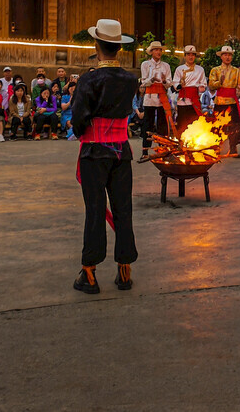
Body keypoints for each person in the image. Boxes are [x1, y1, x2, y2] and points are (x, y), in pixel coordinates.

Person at [71, 18, 139, 295]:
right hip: (121, 151)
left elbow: (78, 119)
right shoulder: (130, 79)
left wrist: (80, 131)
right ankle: (124, 270)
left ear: (97, 45)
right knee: (123, 210)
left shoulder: (89, 79)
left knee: (96, 211)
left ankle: (89, 273)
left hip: (94, 153)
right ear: (118, 48)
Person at [140, 40, 173, 158]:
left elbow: (169, 82)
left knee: (162, 125)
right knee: (147, 124)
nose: (158, 52)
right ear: (151, 52)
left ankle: (162, 149)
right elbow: (143, 82)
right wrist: (152, 79)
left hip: (161, 98)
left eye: (160, 50)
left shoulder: (166, 66)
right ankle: (145, 151)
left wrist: (164, 81)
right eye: (156, 50)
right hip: (149, 98)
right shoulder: (145, 64)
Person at [173, 45, 207, 135]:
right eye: (188, 54)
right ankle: (182, 144)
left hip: (194, 99)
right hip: (183, 100)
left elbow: (203, 84)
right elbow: (175, 83)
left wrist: (201, 88)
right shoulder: (179, 69)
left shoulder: (200, 69)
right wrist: (180, 86)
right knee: (182, 123)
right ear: (185, 56)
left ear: (195, 56)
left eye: (193, 55)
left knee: (195, 122)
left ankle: (194, 145)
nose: (191, 57)